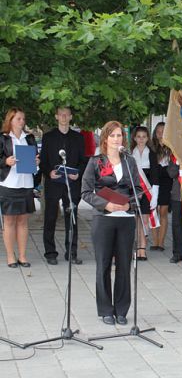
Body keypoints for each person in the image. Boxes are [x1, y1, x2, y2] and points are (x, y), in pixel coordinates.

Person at [81, 121, 141, 325]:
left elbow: (138, 190)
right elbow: (86, 192)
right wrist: (105, 204)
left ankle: (122, 310)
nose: (117, 139)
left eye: (120, 136)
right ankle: (106, 309)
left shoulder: (129, 161)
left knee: (124, 265)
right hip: (103, 220)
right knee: (104, 265)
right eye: (113, 135)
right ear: (105, 138)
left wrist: (129, 205)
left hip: (125, 220)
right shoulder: (95, 162)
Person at [40, 107, 86, 265]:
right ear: (56, 116)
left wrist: (78, 172)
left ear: (71, 117)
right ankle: (50, 253)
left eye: (67, 114)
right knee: (50, 218)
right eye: (61, 114)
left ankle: (72, 252)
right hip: (53, 183)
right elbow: (43, 162)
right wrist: (49, 173)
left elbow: (82, 160)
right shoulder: (48, 137)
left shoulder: (78, 138)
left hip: (71, 183)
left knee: (71, 218)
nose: (64, 117)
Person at [0, 107, 39, 268]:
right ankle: (10, 256)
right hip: (9, 183)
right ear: (10, 120)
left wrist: (37, 162)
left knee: (23, 221)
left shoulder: (29, 138)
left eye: (23, 119)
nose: (22, 122)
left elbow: (35, 156)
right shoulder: (3, 138)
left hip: (26, 183)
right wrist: (5, 162)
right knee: (9, 221)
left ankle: (22, 256)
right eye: (18, 119)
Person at [130, 126, 159, 261]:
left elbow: (155, 175)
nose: (141, 139)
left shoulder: (152, 154)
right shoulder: (129, 154)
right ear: (134, 138)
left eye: (144, 137)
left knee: (145, 219)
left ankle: (143, 248)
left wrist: (155, 195)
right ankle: (136, 247)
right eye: (139, 136)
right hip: (134, 190)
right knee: (136, 219)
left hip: (148, 191)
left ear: (148, 138)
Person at [150, 122, 172, 251]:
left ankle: (161, 242)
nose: (160, 134)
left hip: (167, 181)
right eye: (158, 132)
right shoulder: (152, 147)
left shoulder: (171, 147)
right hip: (154, 180)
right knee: (154, 211)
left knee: (163, 211)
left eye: (163, 131)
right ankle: (155, 240)